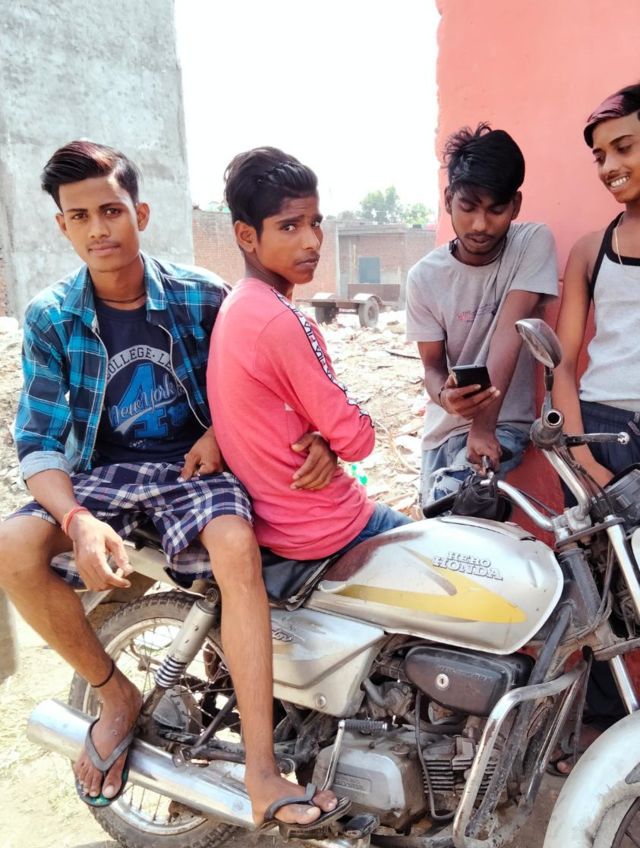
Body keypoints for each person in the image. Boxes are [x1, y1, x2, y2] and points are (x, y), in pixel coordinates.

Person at [0, 140, 339, 829]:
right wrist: (76, 520)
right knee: (12, 548)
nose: (99, 229)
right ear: (62, 226)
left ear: (141, 213)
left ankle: (263, 772)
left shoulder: (202, 296)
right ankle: (115, 693)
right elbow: (39, 442)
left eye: (111, 210)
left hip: (195, 468)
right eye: (80, 216)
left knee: (237, 547)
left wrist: (238, 433)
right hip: (104, 475)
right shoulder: (50, 317)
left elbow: (271, 379)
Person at [207, 146, 411, 570]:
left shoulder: (239, 304)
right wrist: (333, 438)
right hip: (328, 526)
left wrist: (323, 436)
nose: (311, 241)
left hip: (278, 522)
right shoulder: (280, 320)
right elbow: (358, 439)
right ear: (247, 236)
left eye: (315, 222)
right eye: (289, 226)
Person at [550, 82, 640, 774]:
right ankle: (601, 732)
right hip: (601, 431)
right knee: (599, 590)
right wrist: (582, 456)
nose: (610, 167)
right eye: (600, 157)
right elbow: (562, 363)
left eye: (624, 147)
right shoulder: (591, 249)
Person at [405, 124, 558, 508]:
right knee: (438, 535)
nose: (480, 225)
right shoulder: (424, 277)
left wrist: (483, 427)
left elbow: (510, 331)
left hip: (500, 426)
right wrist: (445, 397)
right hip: (441, 435)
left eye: (496, 209)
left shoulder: (531, 242)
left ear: (515, 205)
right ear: (448, 200)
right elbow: (432, 367)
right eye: (468, 207)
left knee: (458, 513)